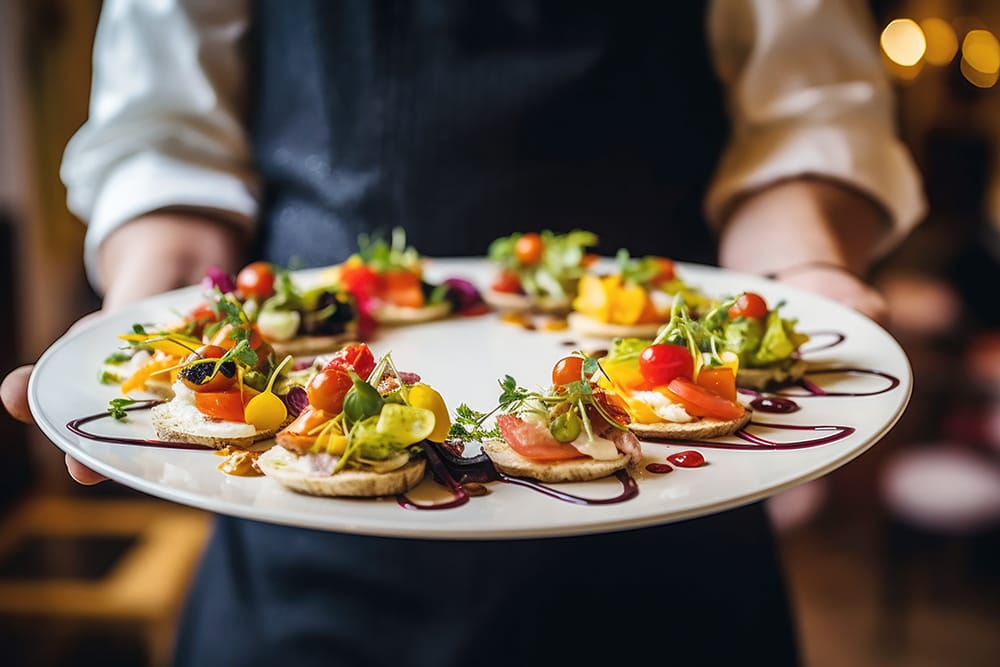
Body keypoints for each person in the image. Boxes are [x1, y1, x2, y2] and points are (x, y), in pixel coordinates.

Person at [2, 1, 925, 665]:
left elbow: (806, 118)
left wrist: (805, 276)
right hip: (305, 544)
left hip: (673, 536)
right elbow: (168, 142)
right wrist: (154, 333)